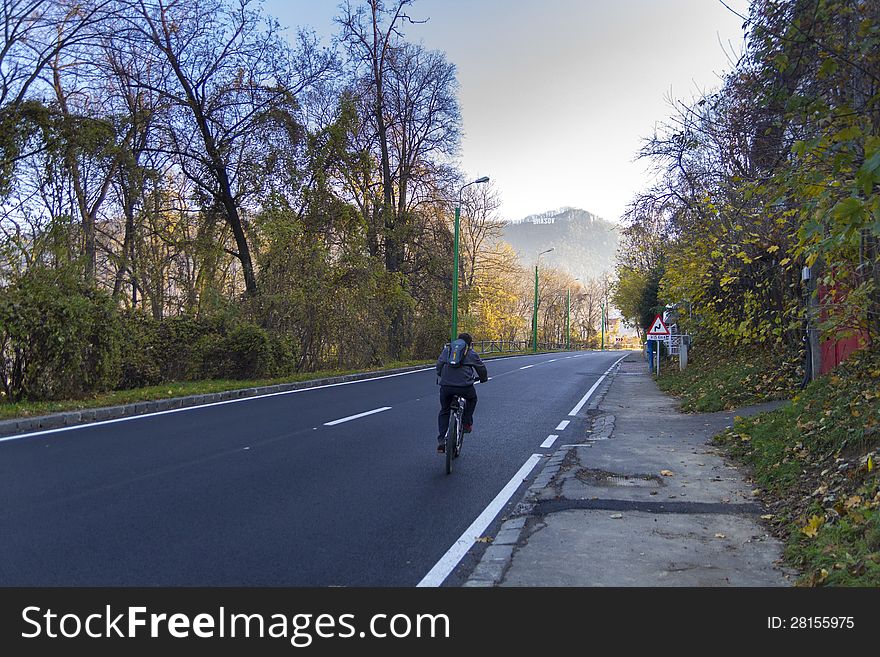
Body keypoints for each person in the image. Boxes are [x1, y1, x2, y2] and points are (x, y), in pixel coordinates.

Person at [435, 332, 488, 453]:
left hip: (446, 386)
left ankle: (442, 439)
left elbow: (439, 365)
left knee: (444, 410)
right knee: (472, 399)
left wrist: (440, 375)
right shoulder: (471, 353)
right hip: (464, 387)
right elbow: (481, 368)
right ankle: (466, 423)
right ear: (470, 344)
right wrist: (483, 379)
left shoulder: (447, 351)